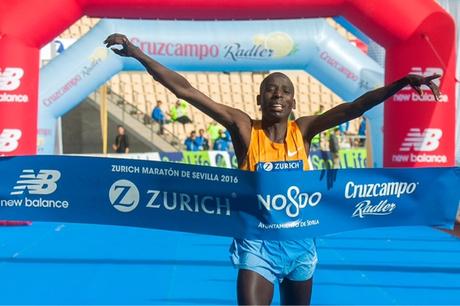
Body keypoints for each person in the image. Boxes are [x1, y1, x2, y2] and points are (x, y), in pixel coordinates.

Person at [104, 33, 440, 306]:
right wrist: (138, 54)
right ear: (259, 99)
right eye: (270, 89)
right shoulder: (244, 128)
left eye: (285, 91)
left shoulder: (304, 130)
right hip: (257, 248)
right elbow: (187, 91)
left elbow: (354, 107)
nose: (277, 94)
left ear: (294, 102)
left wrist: (400, 84)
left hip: (301, 244)